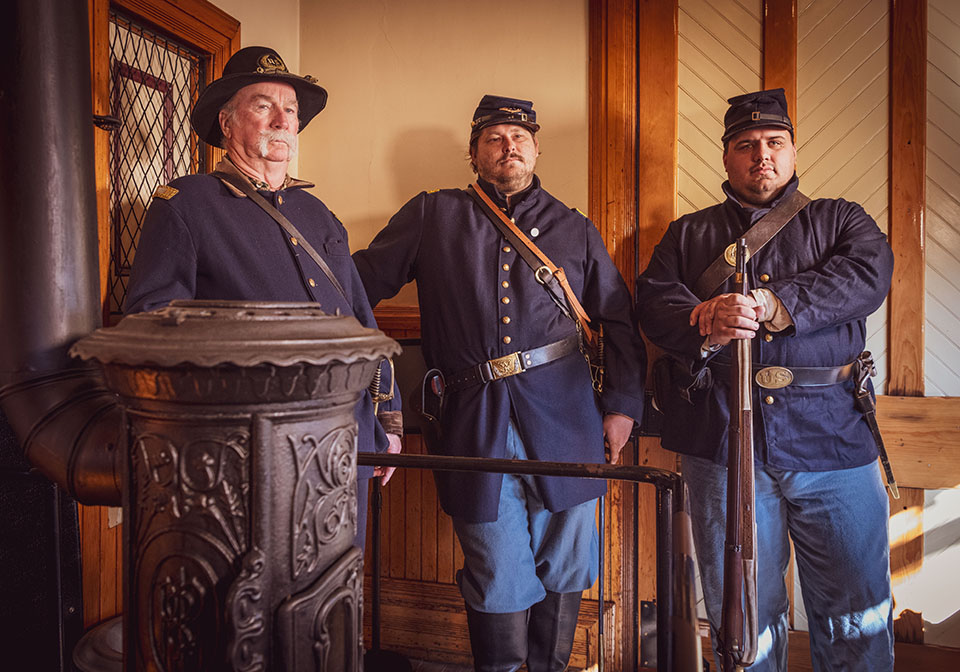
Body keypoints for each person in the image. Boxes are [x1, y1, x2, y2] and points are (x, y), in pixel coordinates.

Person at [352, 95, 646, 671]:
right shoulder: (433, 214)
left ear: (536, 149)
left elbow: (616, 320)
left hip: (568, 418)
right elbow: (358, 281)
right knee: (494, 564)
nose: (507, 147)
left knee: (567, 558)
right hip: (469, 419)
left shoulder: (574, 227)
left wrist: (622, 407)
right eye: (493, 138)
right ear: (473, 153)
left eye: (518, 137)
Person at [636, 88, 895, 671]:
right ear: (726, 158)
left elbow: (866, 277)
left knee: (856, 611)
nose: (762, 156)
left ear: (794, 152)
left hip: (834, 439)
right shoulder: (686, 235)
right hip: (721, 442)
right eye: (746, 145)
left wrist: (774, 304)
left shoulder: (841, 219)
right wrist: (703, 315)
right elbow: (652, 302)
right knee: (742, 614)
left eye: (775, 143)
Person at [123, 46, 402, 548]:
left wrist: (388, 420)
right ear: (227, 123)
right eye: (263, 106)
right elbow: (151, 327)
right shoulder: (185, 206)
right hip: (254, 448)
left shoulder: (317, 213)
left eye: (290, 109)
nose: (282, 120)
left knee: (335, 591)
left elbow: (362, 320)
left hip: (348, 437)